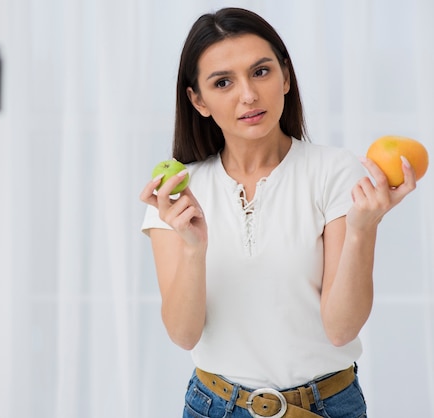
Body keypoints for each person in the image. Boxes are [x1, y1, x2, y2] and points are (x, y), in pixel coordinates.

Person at [139, 7, 416, 418]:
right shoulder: (180, 193)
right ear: (198, 100)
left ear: (285, 77)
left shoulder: (335, 171)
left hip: (327, 406)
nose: (248, 95)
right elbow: (183, 334)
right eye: (223, 82)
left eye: (261, 72)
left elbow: (341, 330)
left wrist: (362, 230)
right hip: (214, 406)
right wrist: (194, 250)